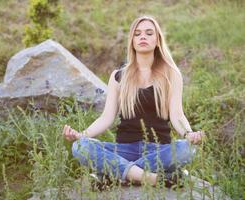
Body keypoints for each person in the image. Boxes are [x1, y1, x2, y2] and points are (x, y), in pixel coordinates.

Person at [63, 15, 205, 188]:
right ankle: (153, 178)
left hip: (159, 150)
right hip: (124, 150)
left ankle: (116, 174)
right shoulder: (118, 76)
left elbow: (177, 115)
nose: (142, 37)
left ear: (157, 40)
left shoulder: (172, 74)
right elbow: (106, 118)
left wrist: (188, 133)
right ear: (132, 41)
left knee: (187, 149)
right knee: (80, 147)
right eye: (137, 34)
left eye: (148, 33)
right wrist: (81, 135)